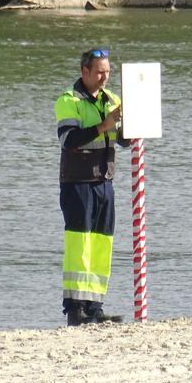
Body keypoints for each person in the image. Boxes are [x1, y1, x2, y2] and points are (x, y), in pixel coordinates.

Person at [54, 48, 128, 326]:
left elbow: (123, 141)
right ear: (84, 72)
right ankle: (75, 309)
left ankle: (95, 307)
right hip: (77, 182)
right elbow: (68, 139)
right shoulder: (68, 100)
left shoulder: (112, 100)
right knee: (79, 245)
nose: (104, 77)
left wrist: (132, 126)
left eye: (107, 71)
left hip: (104, 181)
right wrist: (103, 125)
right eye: (99, 72)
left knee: (101, 245)